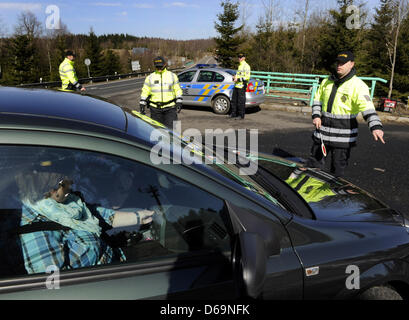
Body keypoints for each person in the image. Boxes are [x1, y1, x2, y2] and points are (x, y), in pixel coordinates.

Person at [15, 174, 154, 274]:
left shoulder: (62, 202)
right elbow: (58, 289)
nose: (71, 184)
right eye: (66, 183)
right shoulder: (34, 233)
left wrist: (137, 217)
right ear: (51, 188)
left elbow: (91, 214)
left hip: (117, 260)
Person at [307, 50, 385, 177]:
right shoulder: (327, 81)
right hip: (322, 133)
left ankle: (333, 196)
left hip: (343, 136)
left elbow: (367, 108)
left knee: (337, 172)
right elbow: (317, 100)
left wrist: (376, 126)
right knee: (312, 168)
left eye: (343, 63)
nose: (339, 65)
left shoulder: (358, 86)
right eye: (338, 62)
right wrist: (316, 116)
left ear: (351, 64)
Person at [139, 56, 183, 128]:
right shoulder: (150, 77)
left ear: (165, 65)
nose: (159, 69)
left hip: (170, 109)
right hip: (155, 110)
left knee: (172, 131)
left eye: (160, 67)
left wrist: (179, 101)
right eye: (157, 67)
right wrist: (142, 103)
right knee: (157, 131)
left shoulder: (172, 76)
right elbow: (145, 91)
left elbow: (177, 90)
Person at [230, 53, 251, 120]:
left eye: (241, 57)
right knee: (234, 101)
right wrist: (234, 77)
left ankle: (240, 115)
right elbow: (238, 75)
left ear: (244, 58)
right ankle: (234, 114)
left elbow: (247, 77)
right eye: (239, 57)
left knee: (241, 102)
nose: (239, 58)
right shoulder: (240, 66)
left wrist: (238, 79)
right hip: (236, 85)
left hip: (242, 86)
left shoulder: (246, 66)